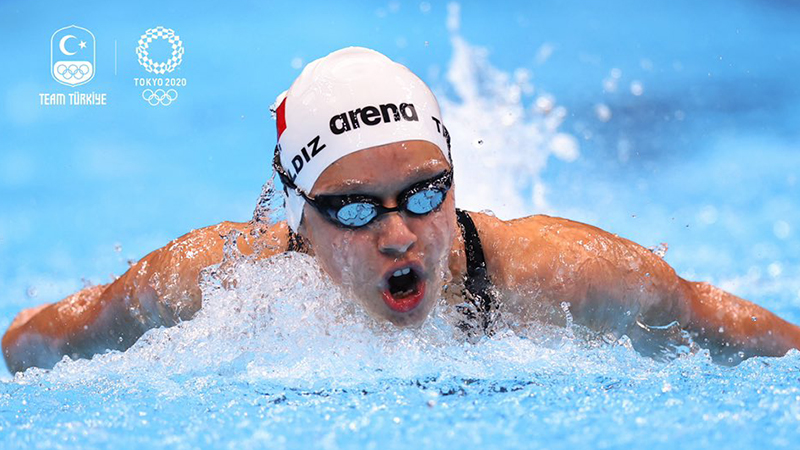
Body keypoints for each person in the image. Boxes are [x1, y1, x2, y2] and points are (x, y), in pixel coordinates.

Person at [4, 47, 799, 374]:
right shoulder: (209, 285)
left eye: (425, 194)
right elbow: (44, 344)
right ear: (298, 219)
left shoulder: (562, 275)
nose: (398, 235)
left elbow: (734, 333)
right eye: (353, 210)